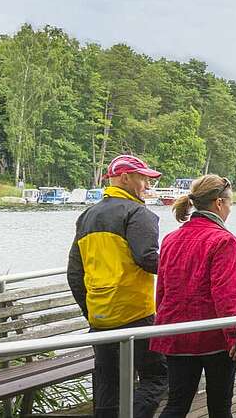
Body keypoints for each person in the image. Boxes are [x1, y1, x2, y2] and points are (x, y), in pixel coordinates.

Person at [66, 154, 167, 418]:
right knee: (157, 377)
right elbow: (148, 259)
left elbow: (75, 273)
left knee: (107, 386)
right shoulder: (139, 213)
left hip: (100, 319)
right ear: (125, 178)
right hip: (137, 315)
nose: (148, 185)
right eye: (143, 178)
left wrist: (91, 310)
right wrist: (181, 269)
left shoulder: (87, 216)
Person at [150, 175, 236, 418]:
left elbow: (162, 290)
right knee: (219, 406)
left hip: (176, 333)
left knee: (177, 403)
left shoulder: (172, 239)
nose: (230, 209)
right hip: (214, 335)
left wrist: (163, 327)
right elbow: (227, 294)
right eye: (230, 204)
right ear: (218, 203)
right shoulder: (222, 240)